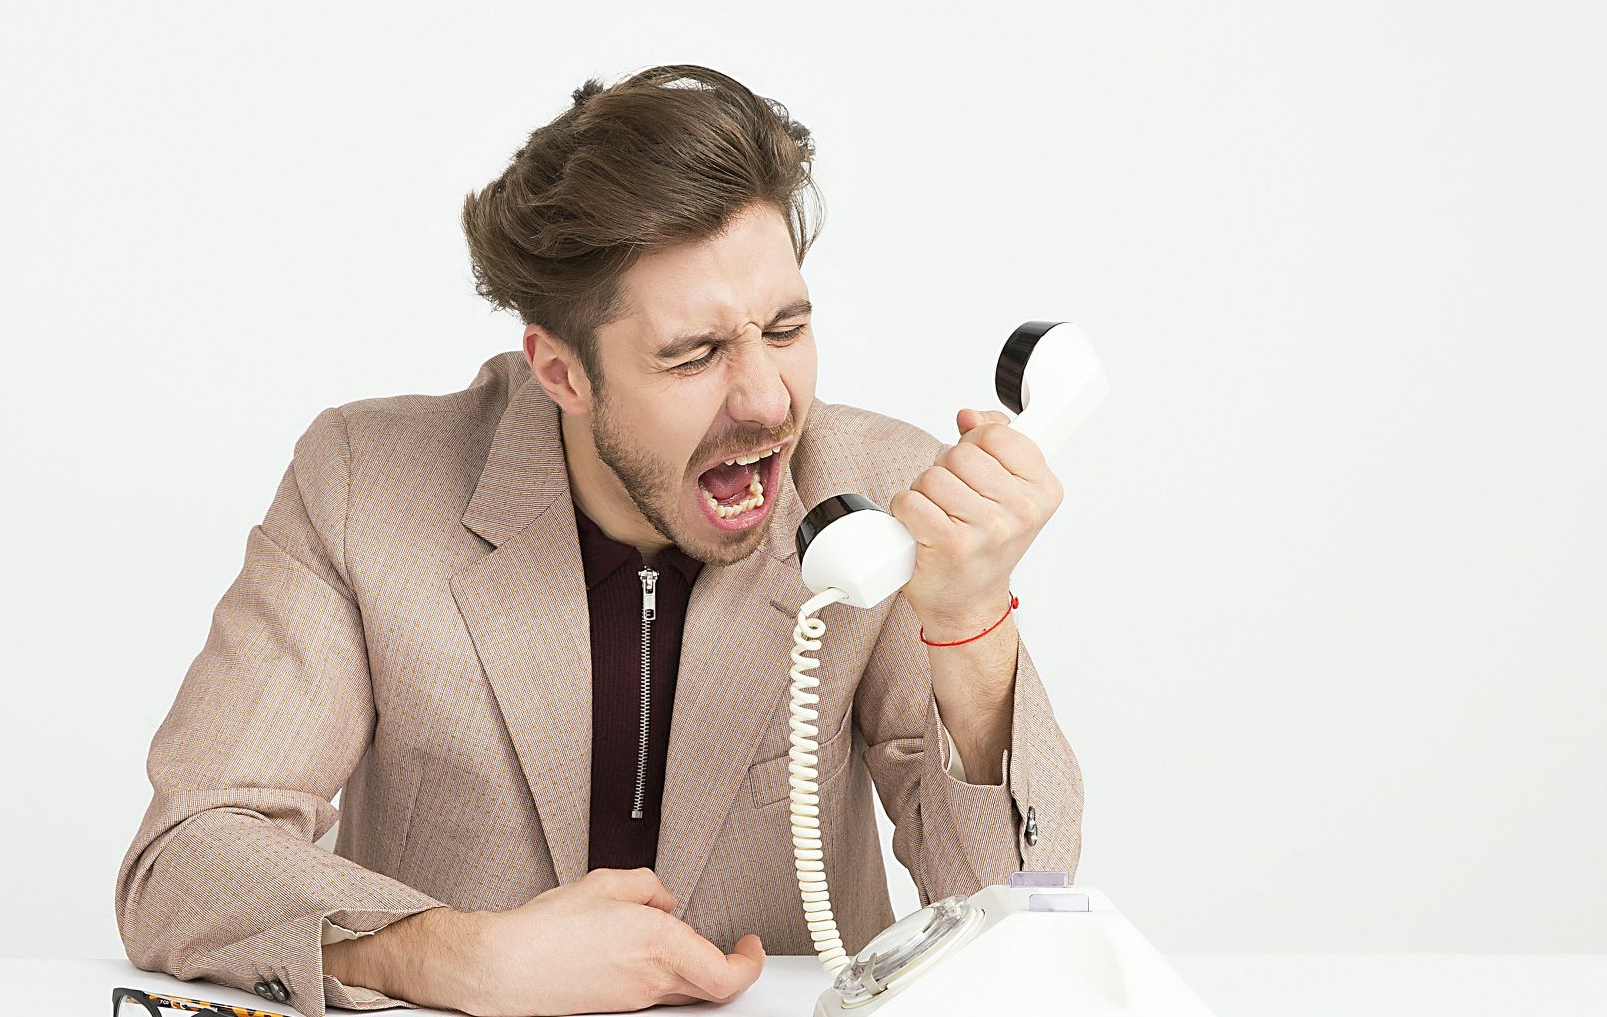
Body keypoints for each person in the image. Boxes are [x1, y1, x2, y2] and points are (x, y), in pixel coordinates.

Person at [114, 64, 1083, 1017]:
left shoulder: (876, 493)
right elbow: (187, 854)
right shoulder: (364, 482)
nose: (766, 400)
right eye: (694, 353)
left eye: (785, 329)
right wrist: (453, 958)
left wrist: (969, 627)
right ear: (562, 371)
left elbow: (1020, 912)